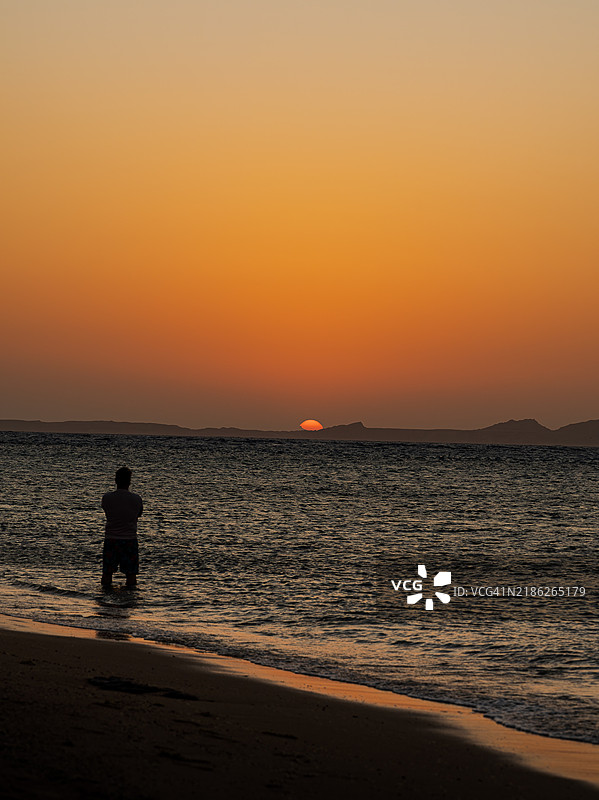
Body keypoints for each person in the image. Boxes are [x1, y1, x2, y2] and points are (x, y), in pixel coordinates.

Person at [101, 467, 143, 588]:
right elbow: (139, 514)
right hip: (130, 539)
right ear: (129, 481)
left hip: (111, 539)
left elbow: (106, 511)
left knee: (107, 573)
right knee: (131, 575)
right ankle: (129, 598)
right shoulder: (136, 499)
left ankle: (105, 596)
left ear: (116, 480)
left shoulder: (107, 497)